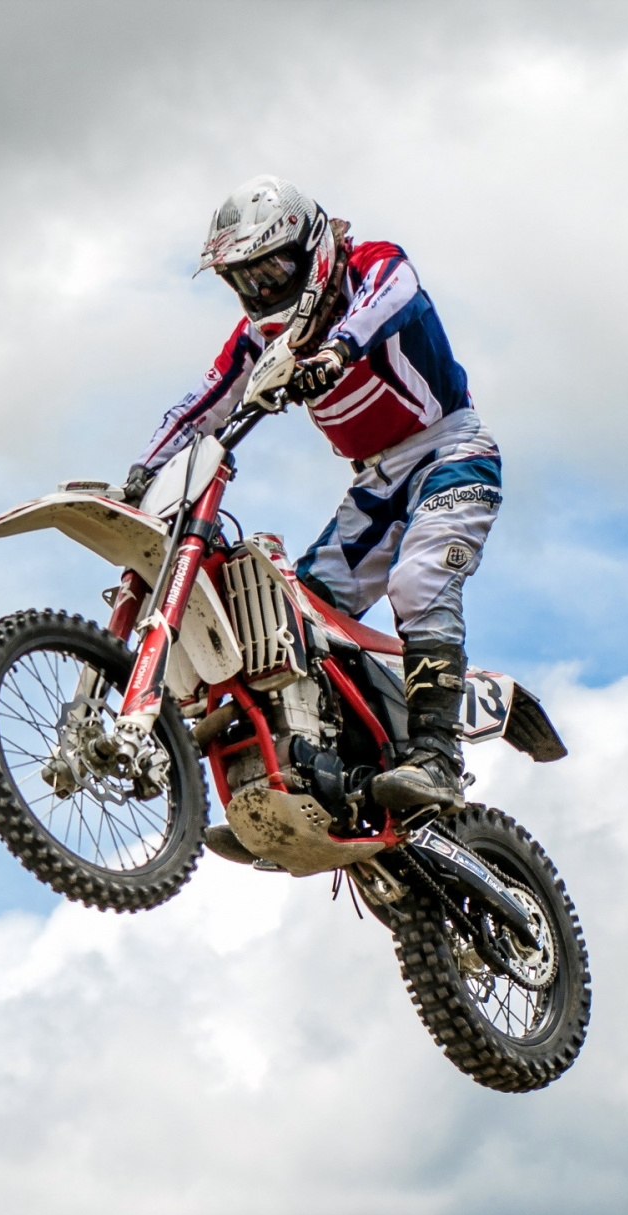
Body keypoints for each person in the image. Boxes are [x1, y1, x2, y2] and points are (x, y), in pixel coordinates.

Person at [123, 175, 502, 814]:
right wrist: (140, 472)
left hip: (452, 451)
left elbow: (396, 296)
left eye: (273, 266)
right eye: (245, 277)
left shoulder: (373, 266)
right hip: (376, 483)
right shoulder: (259, 337)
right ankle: (335, 776)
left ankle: (437, 759)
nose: (264, 288)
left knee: (417, 582)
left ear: (309, 246)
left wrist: (336, 351)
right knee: (297, 620)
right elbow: (202, 405)